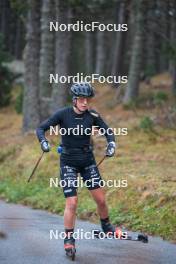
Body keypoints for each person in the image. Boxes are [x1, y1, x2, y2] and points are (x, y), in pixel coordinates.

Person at [36, 82, 117, 254]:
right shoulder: (62, 114)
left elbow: (108, 131)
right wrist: (43, 141)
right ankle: (69, 239)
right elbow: (41, 129)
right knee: (72, 202)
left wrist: (112, 144)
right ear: (74, 100)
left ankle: (106, 226)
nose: (85, 103)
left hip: (88, 162)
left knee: (101, 200)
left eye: (87, 99)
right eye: (81, 99)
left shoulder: (92, 115)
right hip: (68, 162)